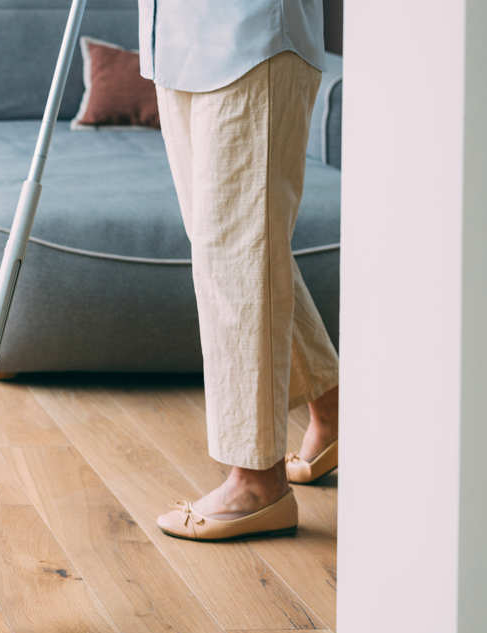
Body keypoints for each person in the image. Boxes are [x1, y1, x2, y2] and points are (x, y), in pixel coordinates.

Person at [143, 0, 342, 541]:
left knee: (237, 254)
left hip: (249, 35)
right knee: (233, 252)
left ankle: (257, 480)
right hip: (174, 41)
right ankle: (334, 403)